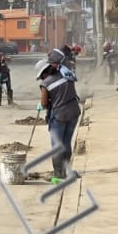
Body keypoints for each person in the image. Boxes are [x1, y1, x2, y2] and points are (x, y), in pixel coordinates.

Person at [37, 54, 83, 184]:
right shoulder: (67, 76)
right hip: (73, 112)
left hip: (59, 116)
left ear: (45, 72)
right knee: (66, 142)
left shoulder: (46, 83)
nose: (42, 78)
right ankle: (65, 171)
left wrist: (44, 104)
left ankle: (58, 174)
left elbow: (44, 103)